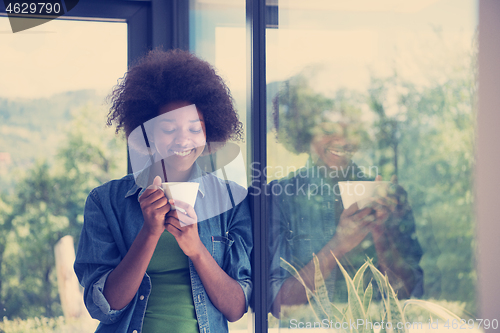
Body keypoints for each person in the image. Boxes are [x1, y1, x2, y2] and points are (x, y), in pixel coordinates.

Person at [74, 49, 252, 333]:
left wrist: (196, 249)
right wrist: (149, 231)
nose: (183, 139)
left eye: (195, 128)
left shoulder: (230, 200)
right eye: (168, 128)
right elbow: (103, 307)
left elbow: (235, 309)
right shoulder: (105, 202)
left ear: (208, 134)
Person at [267, 74, 423, 317]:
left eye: (351, 126)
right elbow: (278, 304)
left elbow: (409, 296)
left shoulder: (389, 196)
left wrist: (382, 235)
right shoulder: (278, 198)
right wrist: (338, 245)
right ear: (304, 131)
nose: (341, 138)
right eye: (328, 127)